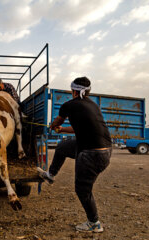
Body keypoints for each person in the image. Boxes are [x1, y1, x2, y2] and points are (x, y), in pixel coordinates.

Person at [37, 77, 112, 233]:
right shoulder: (93, 106)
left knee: (82, 190)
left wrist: (54, 126)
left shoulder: (69, 105)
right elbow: (80, 128)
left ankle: (94, 223)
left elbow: (56, 122)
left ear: (73, 91)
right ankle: (50, 174)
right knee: (63, 146)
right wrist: (63, 130)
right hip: (103, 151)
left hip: (91, 155)